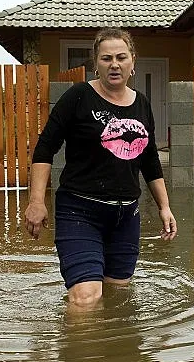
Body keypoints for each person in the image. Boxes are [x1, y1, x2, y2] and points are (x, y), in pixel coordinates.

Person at [24, 28, 177, 308]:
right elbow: (45, 148)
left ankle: (111, 351)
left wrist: (164, 206)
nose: (114, 64)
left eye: (121, 57)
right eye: (106, 58)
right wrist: (36, 202)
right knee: (85, 298)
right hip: (80, 211)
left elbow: (150, 159)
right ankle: (77, 351)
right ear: (96, 63)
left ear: (133, 61)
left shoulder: (141, 103)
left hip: (125, 216)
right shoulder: (78, 97)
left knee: (117, 296)